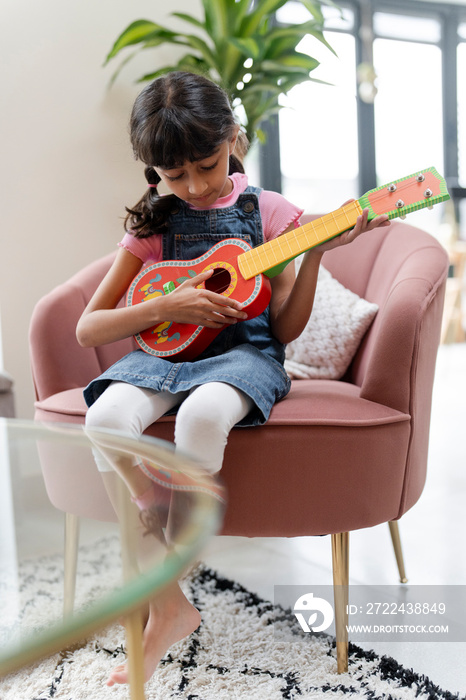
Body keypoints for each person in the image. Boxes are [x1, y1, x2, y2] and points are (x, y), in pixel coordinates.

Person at [77, 70, 389, 686]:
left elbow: (287, 329)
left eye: (207, 165)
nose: (193, 186)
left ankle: (169, 581)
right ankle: (162, 544)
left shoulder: (268, 212)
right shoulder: (154, 226)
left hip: (244, 357)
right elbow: (91, 328)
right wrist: (166, 306)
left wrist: (314, 252)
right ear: (153, 172)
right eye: (175, 176)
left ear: (235, 139)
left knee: (201, 414)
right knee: (104, 417)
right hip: (166, 356)